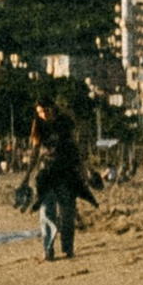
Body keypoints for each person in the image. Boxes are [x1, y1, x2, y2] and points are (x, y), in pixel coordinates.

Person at [33, 108, 95, 261]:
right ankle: (48, 250)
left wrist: (83, 171)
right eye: (40, 112)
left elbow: (76, 152)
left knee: (67, 214)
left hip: (67, 176)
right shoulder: (38, 129)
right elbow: (35, 153)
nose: (44, 115)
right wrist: (27, 176)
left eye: (45, 111)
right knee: (47, 213)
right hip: (47, 177)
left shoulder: (64, 127)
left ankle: (67, 248)